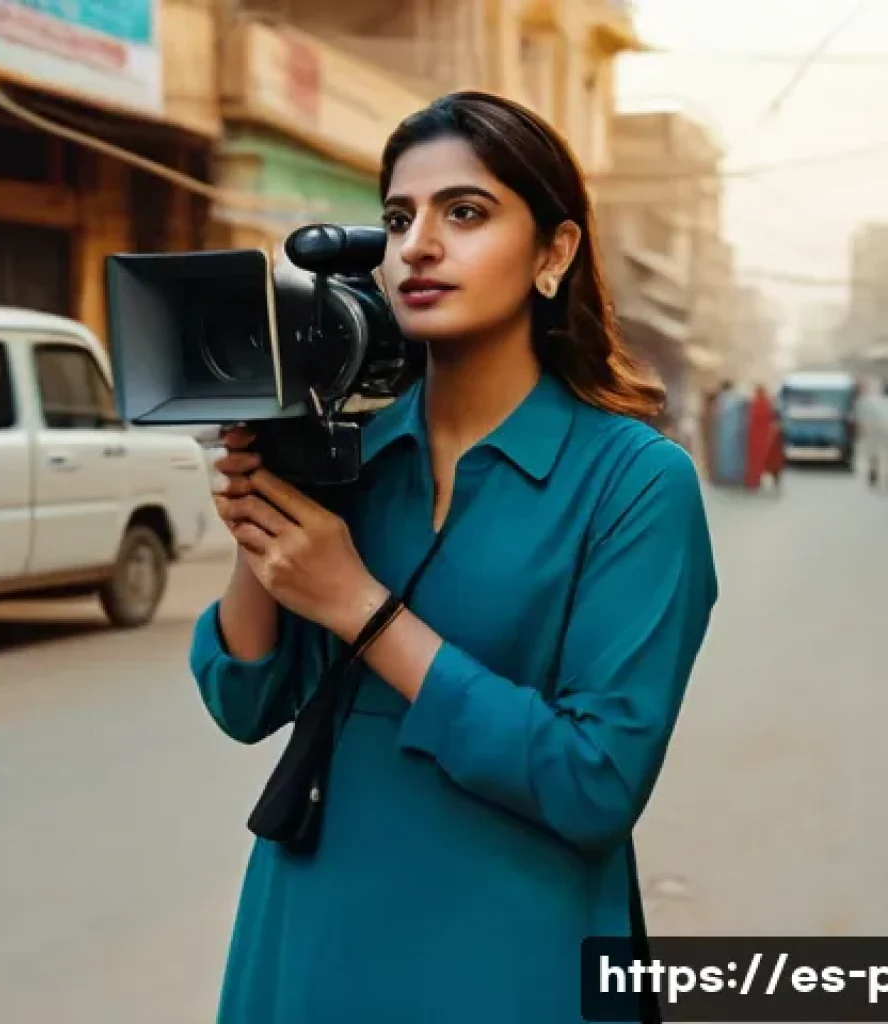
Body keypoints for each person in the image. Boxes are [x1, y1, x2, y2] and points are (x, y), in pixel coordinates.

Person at [191, 91, 719, 1024]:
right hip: (310, 942)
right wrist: (262, 499)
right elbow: (243, 703)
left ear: (554, 254)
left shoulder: (635, 483)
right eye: (399, 219)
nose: (417, 246)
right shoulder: (353, 451)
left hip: (515, 955)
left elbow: (595, 782)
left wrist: (361, 607)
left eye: (464, 213)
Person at [744, 384, 781, 492]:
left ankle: (754, 480)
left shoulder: (758, 403)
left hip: (759, 435)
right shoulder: (766, 403)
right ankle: (755, 480)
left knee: (757, 460)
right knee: (760, 460)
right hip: (762, 435)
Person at [712, 380, 748, 487]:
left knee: (726, 454)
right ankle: (735, 476)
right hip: (736, 431)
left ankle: (726, 476)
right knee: (735, 454)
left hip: (725, 431)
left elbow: (718, 414)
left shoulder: (722, 399)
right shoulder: (737, 399)